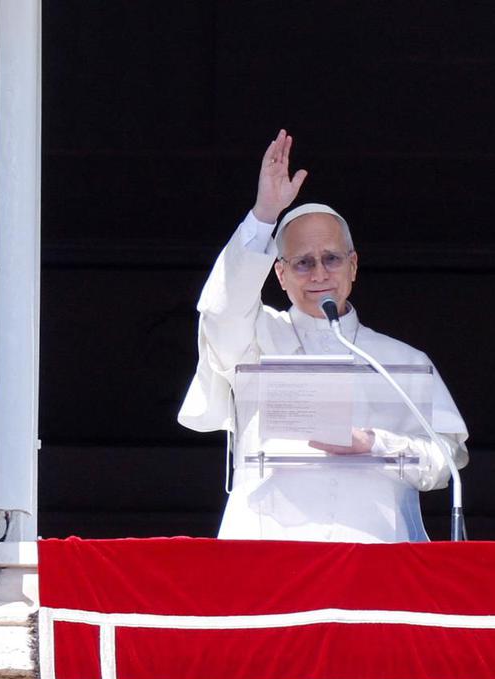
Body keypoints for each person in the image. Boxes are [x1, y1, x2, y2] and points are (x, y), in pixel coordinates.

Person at [178, 129, 468, 542]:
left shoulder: (403, 360)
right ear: (279, 273)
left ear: (353, 265)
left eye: (331, 259)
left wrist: (373, 443)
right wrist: (263, 216)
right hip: (267, 554)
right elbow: (221, 312)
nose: (319, 274)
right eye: (302, 262)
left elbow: (444, 460)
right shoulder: (256, 339)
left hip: (374, 555)